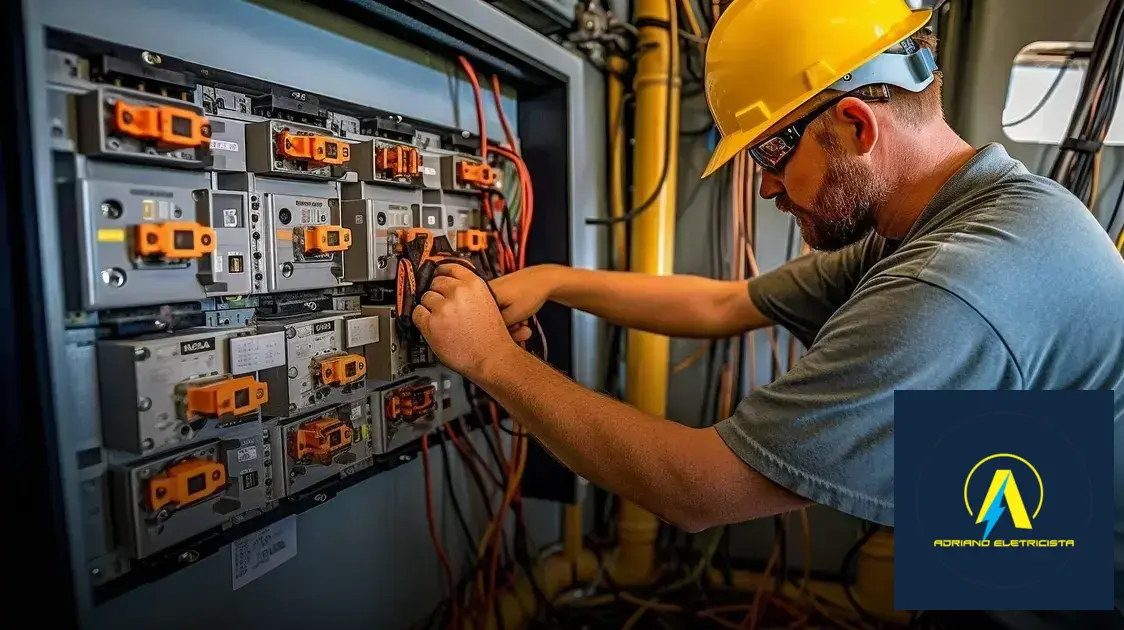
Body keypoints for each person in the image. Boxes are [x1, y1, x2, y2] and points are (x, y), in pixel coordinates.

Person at [412, 0, 1124, 626]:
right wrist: (559, 280)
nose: (766, 190)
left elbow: (695, 490)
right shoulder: (955, 217)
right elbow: (723, 303)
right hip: (1019, 561)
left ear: (853, 125)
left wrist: (491, 360)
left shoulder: (952, 281)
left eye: (768, 156)